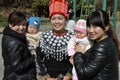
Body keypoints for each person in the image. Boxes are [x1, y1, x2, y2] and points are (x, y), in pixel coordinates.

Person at [72, 10, 120, 80]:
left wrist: (78, 54)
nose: (91, 30)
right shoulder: (106, 41)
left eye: (95, 26)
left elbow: (83, 74)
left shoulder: (102, 47)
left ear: (106, 27)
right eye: (89, 26)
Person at [37, 0, 74, 80]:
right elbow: (39, 58)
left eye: (60, 18)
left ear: (66, 19)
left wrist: (69, 75)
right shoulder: (45, 36)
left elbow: (76, 59)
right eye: (53, 19)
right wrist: (44, 76)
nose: (56, 22)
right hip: (48, 76)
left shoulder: (72, 37)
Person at [2, 11, 37, 80]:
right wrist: (33, 58)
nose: (21, 28)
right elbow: (17, 67)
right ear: (10, 24)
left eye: (24, 25)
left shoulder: (10, 35)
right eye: (18, 25)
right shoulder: (14, 42)